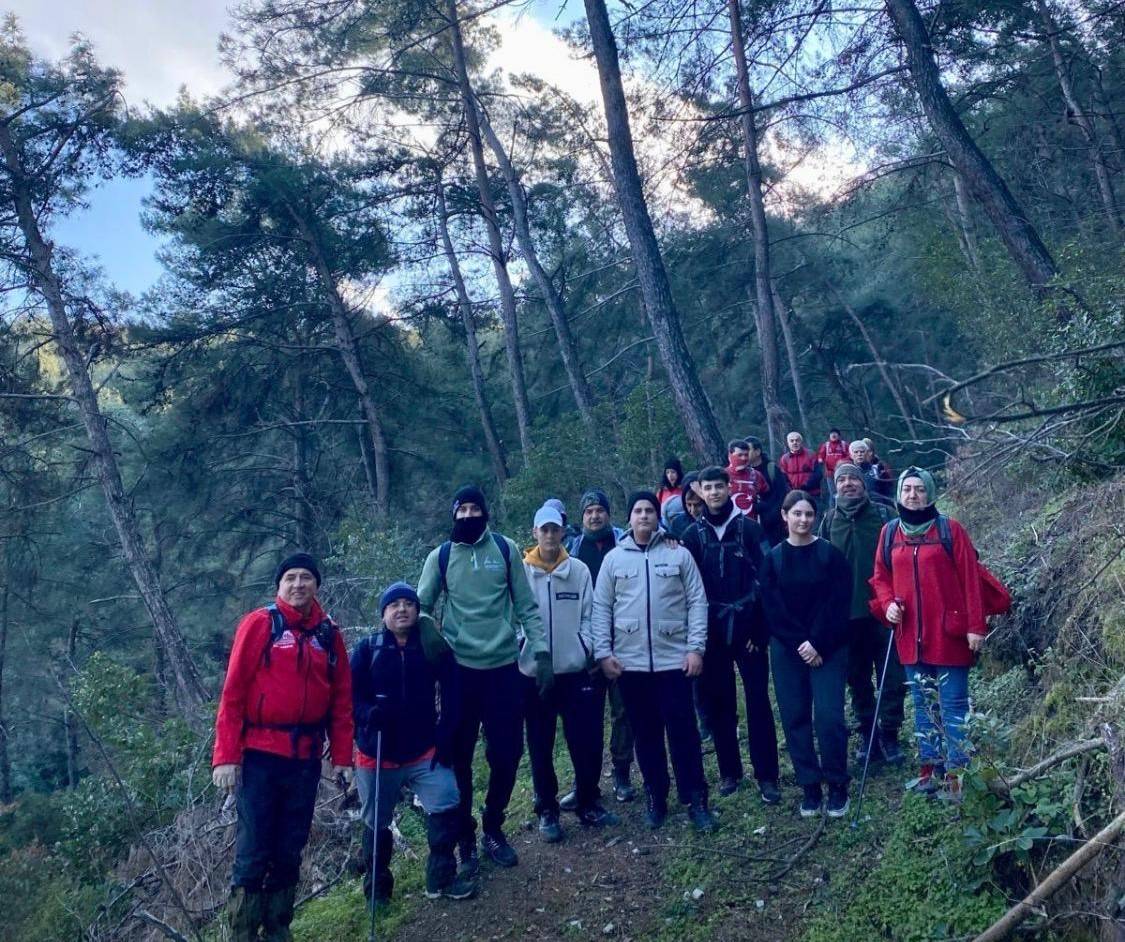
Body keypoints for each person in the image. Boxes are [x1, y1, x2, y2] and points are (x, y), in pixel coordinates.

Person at [212, 553, 354, 942]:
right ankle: (242, 934)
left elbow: (342, 700)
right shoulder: (260, 624)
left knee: (290, 848)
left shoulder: (329, 633)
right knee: (254, 850)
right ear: (279, 585)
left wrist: (343, 757)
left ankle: (277, 930)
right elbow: (233, 693)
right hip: (260, 755)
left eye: (306, 577)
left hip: (305, 759)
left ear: (317, 585)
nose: (298, 584)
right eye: (290, 577)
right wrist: (225, 756)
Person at [417, 486, 550, 874]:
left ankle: (494, 825)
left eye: (475, 508)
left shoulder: (505, 549)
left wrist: (540, 652)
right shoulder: (440, 557)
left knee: (507, 754)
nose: (468, 515)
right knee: (459, 759)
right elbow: (422, 605)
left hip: (504, 668)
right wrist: (430, 637)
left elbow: (526, 605)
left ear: (485, 512)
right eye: (462, 509)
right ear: (453, 514)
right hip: (460, 671)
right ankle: (465, 838)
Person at [592, 492, 715, 832]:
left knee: (684, 734)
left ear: (657, 517)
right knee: (645, 735)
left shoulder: (679, 555)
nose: (644, 516)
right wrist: (604, 653)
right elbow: (600, 609)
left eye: (649, 510)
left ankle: (695, 798)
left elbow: (697, 602)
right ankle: (656, 796)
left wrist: (696, 649)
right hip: (630, 666)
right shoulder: (614, 560)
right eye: (637, 511)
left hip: (674, 662)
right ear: (629, 518)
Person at [350, 582, 476, 904]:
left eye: (408, 603)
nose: (402, 609)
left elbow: (453, 692)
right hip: (377, 751)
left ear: (418, 611)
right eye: (394, 605)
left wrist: (445, 733)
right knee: (376, 823)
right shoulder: (368, 649)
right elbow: (349, 697)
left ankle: (441, 879)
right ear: (383, 615)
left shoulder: (431, 647)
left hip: (424, 749)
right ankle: (377, 892)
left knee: (447, 802)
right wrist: (366, 714)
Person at [869, 468, 987, 798]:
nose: (912, 495)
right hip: (911, 636)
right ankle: (930, 768)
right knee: (923, 706)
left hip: (949, 633)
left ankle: (957, 773)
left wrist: (976, 627)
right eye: (906, 489)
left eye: (919, 489)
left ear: (930, 493)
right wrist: (888, 602)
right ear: (898, 494)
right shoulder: (890, 532)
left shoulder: (951, 530)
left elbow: (971, 580)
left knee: (953, 705)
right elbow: (880, 576)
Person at [682, 467, 781, 804]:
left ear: (728, 488)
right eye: (707, 488)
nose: (714, 493)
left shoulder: (750, 529)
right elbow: (685, 587)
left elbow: (769, 580)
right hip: (711, 631)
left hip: (749, 629)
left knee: (758, 702)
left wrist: (762, 629)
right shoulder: (691, 536)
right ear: (700, 491)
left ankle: (767, 775)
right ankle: (729, 772)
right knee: (720, 703)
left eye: (719, 486)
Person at [522, 505, 619, 843]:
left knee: (586, 741)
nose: (549, 535)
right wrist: (526, 647)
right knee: (540, 744)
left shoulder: (577, 570)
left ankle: (588, 801)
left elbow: (591, 614)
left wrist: (585, 647)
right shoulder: (521, 572)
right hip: (534, 674)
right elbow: (515, 616)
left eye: (555, 529)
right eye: (543, 529)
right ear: (535, 533)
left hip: (575, 671)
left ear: (564, 532)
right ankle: (547, 809)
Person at [761, 492, 853, 818]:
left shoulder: (830, 555)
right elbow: (772, 609)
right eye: (797, 513)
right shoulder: (772, 559)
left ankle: (838, 783)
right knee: (795, 717)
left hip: (828, 647)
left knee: (828, 717)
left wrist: (817, 643)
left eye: (809, 514)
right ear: (784, 516)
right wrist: (801, 642)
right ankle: (810, 786)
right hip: (788, 650)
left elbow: (839, 603)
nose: (803, 520)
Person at [817, 464, 904, 766]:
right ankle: (868, 734)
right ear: (835, 486)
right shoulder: (828, 522)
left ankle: (890, 733)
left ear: (864, 483)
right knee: (857, 680)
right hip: (846, 617)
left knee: (892, 677)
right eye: (842, 480)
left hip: (885, 612)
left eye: (854, 478)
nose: (849, 484)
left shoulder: (884, 515)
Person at [564, 489, 636, 803]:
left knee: (623, 712)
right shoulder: (572, 549)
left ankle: (622, 773)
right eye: (589, 511)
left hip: (622, 642)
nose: (595, 516)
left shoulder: (625, 543)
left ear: (609, 513)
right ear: (582, 517)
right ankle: (585, 784)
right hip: (586, 649)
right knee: (586, 719)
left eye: (599, 510)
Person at [745, 436, 788, 545]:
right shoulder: (744, 472)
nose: (745, 454)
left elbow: (782, 494)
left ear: (757, 451)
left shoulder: (771, 469)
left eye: (748, 450)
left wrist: (773, 515)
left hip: (774, 524)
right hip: (752, 523)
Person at [726, 439, 769, 519]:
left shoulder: (756, 475)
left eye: (746, 455)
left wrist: (762, 506)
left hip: (751, 524)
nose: (743, 458)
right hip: (729, 523)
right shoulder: (722, 475)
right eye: (739, 455)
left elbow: (767, 495)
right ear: (730, 455)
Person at [779, 432, 823, 502]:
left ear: (801, 442)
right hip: (793, 495)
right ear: (788, 443)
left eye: (797, 440)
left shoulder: (811, 454)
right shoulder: (784, 459)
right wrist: (790, 490)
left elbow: (818, 474)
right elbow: (783, 478)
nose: (795, 443)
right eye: (792, 441)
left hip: (812, 494)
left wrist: (805, 486)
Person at [848, 440, 893, 504]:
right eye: (856, 452)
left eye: (862, 452)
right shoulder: (848, 472)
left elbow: (887, 491)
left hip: (877, 506)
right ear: (851, 455)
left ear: (867, 453)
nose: (859, 454)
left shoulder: (876, 470)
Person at [817, 429, 850, 506]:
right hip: (830, 473)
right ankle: (832, 511)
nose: (833, 435)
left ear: (839, 436)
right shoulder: (826, 445)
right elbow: (820, 455)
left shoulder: (844, 444)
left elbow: (850, 454)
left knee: (843, 492)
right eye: (832, 434)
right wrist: (820, 460)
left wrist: (843, 461)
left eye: (835, 434)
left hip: (842, 473)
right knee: (833, 493)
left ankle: (845, 507)